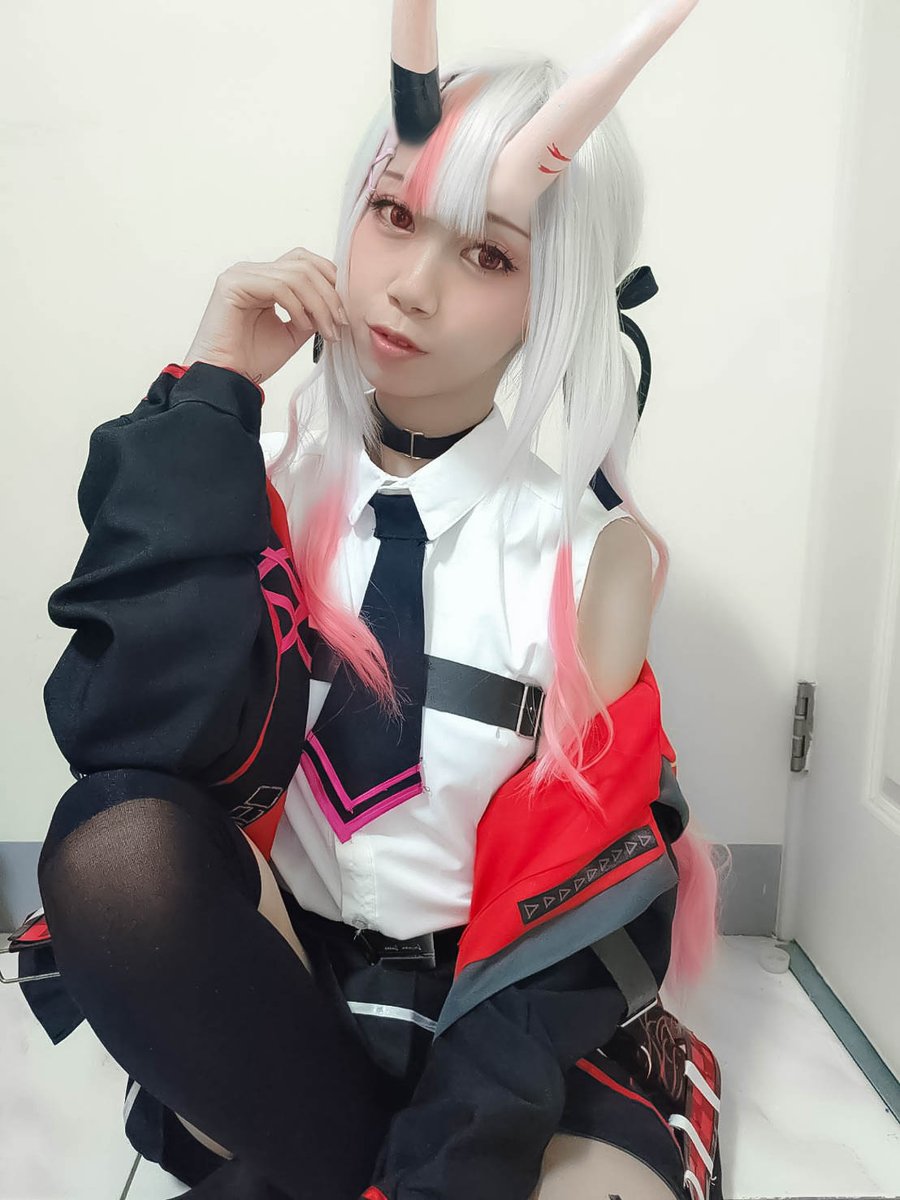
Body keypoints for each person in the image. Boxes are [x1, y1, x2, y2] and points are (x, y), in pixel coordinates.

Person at [13, 2, 730, 1198]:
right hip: (288, 976)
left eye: (490, 255)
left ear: (555, 296)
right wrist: (211, 393)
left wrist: (449, 1158)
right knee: (111, 847)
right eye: (394, 216)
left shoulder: (589, 554)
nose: (412, 289)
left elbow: (573, 885)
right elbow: (130, 740)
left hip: (491, 997)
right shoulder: (248, 478)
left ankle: (333, 1163)